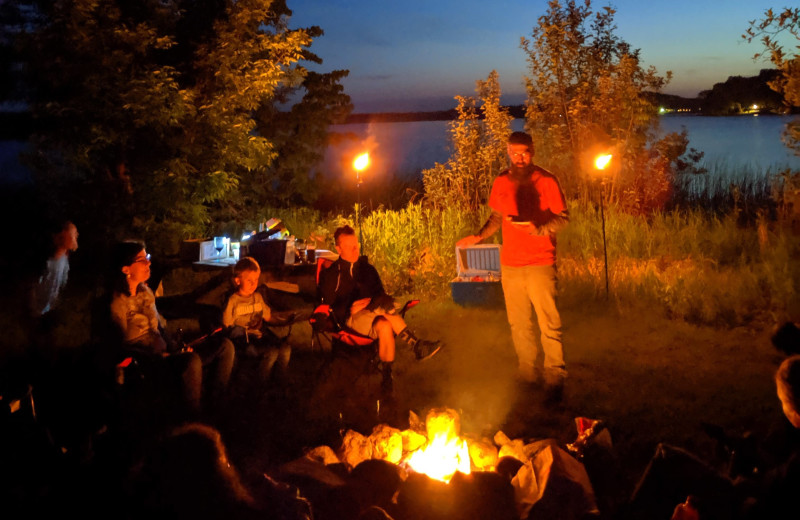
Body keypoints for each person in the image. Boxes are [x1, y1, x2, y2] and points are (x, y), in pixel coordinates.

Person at [457, 131, 569, 403]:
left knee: (548, 322)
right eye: (514, 152)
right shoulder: (502, 181)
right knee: (519, 323)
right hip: (511, 264)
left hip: (541, 262)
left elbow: (563, 218)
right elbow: (497, 216)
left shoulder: (547, 180)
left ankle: (554, 375)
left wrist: (539, 228)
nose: (519, 158)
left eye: (524, 152)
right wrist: (478, 236)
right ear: (508, 152)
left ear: (533, 151)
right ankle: (527, 373)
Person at [108, 240, 235, 414]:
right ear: (126, 269)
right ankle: (192, 418)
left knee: (224, 346)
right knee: (192, 361)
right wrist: (159, 355)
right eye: (142, 260)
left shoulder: (146, 292)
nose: (148, 263)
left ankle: (216, 406)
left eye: (148, 258)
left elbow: (158, 328)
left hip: (167, 352)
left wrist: (176, 347)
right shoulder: (117, 304)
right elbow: (120, 347)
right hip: (148, 361)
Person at [318, 225, 442, 395]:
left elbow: (380, 294)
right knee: (384, 309)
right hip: (348, 321)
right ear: (338, 249)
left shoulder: (368, 270)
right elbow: (327, 305)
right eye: (349, 246)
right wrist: (351, 308)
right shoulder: (332, 274)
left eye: (356, 244)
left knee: (384, 324)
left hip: (374, 315)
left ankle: (386, 378)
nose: (355, 249)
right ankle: (417, 345)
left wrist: (372, 303)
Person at [222, 256, 290, 385]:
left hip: (260, 335)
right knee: (272, 352)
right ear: (237, 281)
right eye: (249, 280)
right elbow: (227, 326)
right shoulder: (233, 301)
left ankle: (280, 383)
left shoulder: (258, 297)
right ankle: (260, 385)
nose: (254, 284)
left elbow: (269, 317)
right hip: (244, 340)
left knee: (285, 348)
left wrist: (286, 319)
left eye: (256, 279)